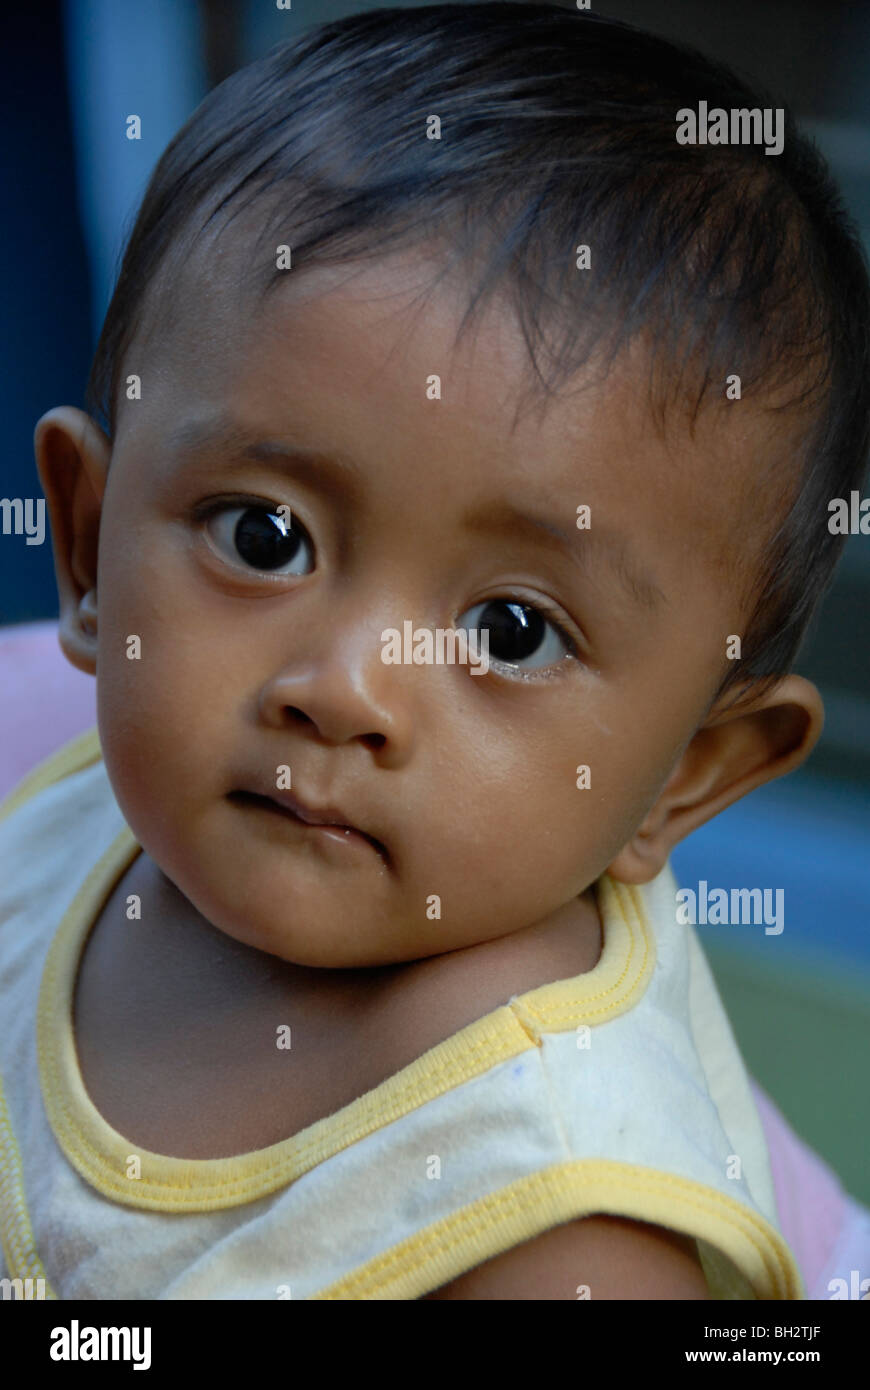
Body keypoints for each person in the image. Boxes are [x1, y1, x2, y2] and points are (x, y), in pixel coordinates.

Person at [2, 3, 868, 1300]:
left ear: (686, 772)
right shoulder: (46, 766)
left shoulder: (555, 1217)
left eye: (510, 630)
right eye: (265, 534)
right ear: (85, 544)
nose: (343, 687)